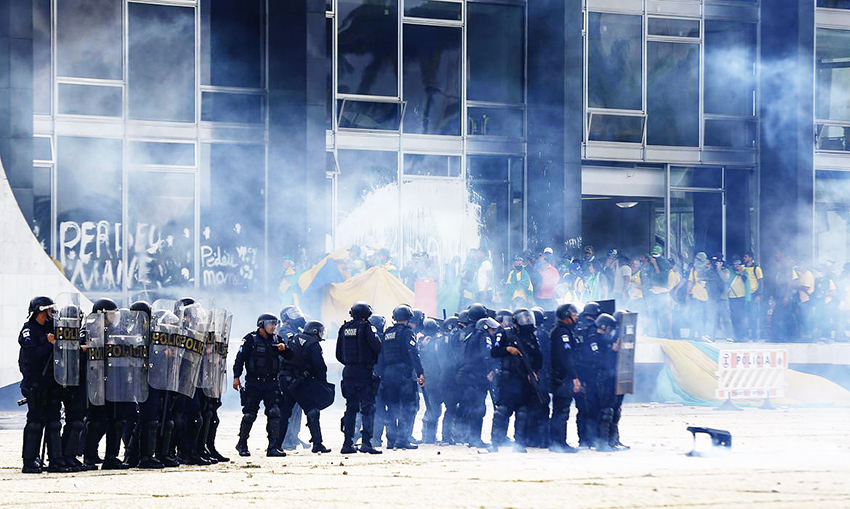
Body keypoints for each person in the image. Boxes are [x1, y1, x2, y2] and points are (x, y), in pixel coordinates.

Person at [19, 296, 72, 473]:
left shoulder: (52, 327)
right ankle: (30, 460)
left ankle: (56, 459)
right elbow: (32, 356)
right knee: (35, 422)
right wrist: (49, 344)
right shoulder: (28, 330)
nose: (49, 314)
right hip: (35, 382)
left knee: (54, 422)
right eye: (46, 311)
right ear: (38, 312)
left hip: (52, 382)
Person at [233, 313, 290, 457]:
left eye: (275, 324)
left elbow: (290, 356)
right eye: (270, 323)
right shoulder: (250, 339)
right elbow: (239, 358)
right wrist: (236, 377)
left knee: (274, 412)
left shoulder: (277, 339)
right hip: (254, 383)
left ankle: (273, 446)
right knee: (250, 414)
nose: (273, 326)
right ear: (261, 324)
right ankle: (242, 443)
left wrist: (285, 349)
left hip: (271, 382)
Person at [489, 311, 541, 453]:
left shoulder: (531, 336)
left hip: (524, 380)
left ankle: (519, 444)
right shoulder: (505, 334)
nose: (527, 321)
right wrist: (507, 349)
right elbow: (494, 352)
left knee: (523, 412)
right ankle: (495, 442)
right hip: (508, 379)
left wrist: (534, 370)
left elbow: (538, 357)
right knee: (502, 412)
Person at [276, 321, 332, 453]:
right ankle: (317, 444)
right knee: (312, 411)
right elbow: (320, 366)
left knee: (284, 413)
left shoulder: (294, 338)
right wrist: (321, 382)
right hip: (299, 382)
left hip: (285, 380)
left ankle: (276, 445)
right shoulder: (313, 344)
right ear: (314, 331)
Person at [336, 301, 383, 454]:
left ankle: (347, 443)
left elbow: (338, 354)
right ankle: (366, 443)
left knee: (351, 408)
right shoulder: (367, 327)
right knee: (368, 408)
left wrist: (350, 363)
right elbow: (377, 347)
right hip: (364, 372)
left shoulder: (344, 328)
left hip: (348, 372)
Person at [377, 305, 425, 450]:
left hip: (388, 373)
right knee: (407, 407)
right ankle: (402, 440)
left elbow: (382, 356)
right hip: (403, 373)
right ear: (408, 318)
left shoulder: (387, 333)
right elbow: (413, 353)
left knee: (391, 407)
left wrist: (382, 374)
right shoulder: (407, 332)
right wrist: (419, 372)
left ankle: (391, 440)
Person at [456, 316, 497, 448]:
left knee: (471, 408)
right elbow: (487, 354)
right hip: (475, 377)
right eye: (492, 329)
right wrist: (491, 369)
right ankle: (474, 439)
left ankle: (467, 437)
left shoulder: (470, 336)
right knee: (478, 409)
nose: (493, 332)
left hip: (466, 375)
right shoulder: (483, 336)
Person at [549, 303, 581, 453]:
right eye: (574, 314)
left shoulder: (563, 331)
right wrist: (574, 377)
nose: (576, 317)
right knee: (561, 411)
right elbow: (566, 357)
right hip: (562, 377)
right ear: (566, 315)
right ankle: (558, 443)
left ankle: (557, 442)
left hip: (560, 376)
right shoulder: (562, 333)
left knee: (560, 410)